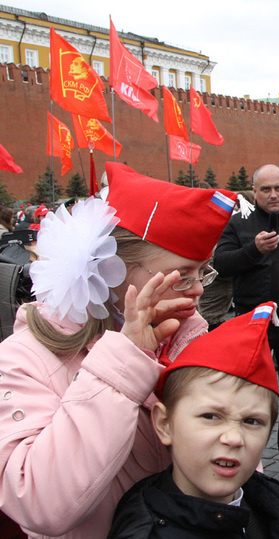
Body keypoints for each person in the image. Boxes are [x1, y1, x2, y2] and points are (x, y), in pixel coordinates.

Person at [0, 162, 237, 538]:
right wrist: (126, 357)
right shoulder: (26, 356)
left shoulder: (189, 338)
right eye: (182, 275)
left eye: (203, 273)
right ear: (113, 270)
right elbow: (38, 502)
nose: (198, 290)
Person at [107, 302, 279, 538]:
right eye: (211, 416)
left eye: (252, 421)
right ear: (164, 424)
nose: (233, 438)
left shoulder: (272, 503)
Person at [213, 164, 279, 477]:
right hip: (251, 318)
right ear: (254, 192)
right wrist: (253, 250)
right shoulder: (239, 223)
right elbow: (222, 263)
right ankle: (237, 446)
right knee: (245, 385)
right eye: (265, 190)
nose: (273, 195)